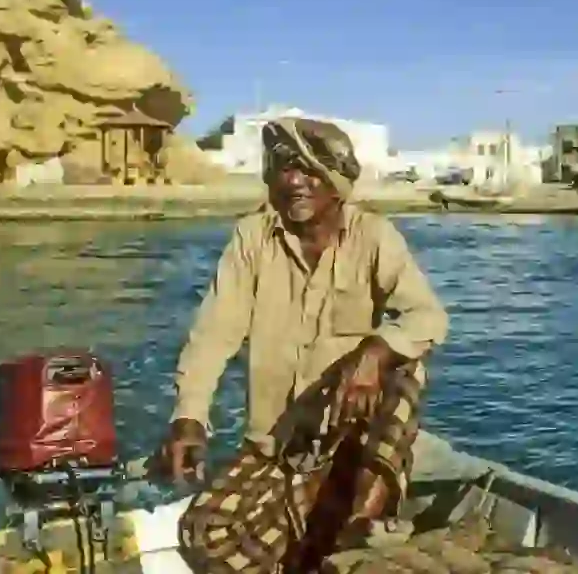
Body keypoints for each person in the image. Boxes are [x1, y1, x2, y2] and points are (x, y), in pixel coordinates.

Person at [150, 116, 449, 572]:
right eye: (282, 168)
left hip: (349, 434)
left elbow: (427, 317)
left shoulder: (373, 236)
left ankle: (364, 520)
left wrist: (371, 354)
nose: (294, 181)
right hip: (280, 441)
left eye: (308, 170)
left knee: (406, 363)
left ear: (335, 182)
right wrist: (189, 416)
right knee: (203, 529)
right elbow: (214, 333)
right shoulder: (252, 238)